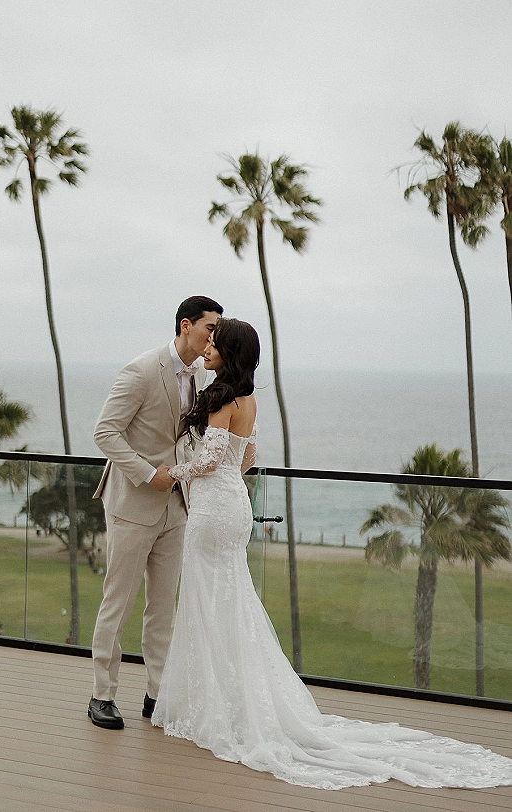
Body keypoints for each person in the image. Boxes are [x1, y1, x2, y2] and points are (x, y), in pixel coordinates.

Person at [152, 317, 512, 791]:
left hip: (213, 512)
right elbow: (247, 459)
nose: (208, 349)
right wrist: (216, 481)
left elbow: (210, 461)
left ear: (231, 351)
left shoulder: (221, 398)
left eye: (216, 344)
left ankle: (214, 705)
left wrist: (171, 472)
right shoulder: (248, 400)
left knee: (206, 601)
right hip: (233, 505)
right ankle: (230, 700)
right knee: (229, 601)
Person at [88, 295, 223, 729]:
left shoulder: (202, 377)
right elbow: (105, 433)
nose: (212, 337)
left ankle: (156, 695)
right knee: (118, 602)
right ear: (186, 326)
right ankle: (101, 696)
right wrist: (149, 474)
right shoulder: (142, 370)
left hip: (177, 508)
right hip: (132, 506)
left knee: (163, 606)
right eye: (209, 328)